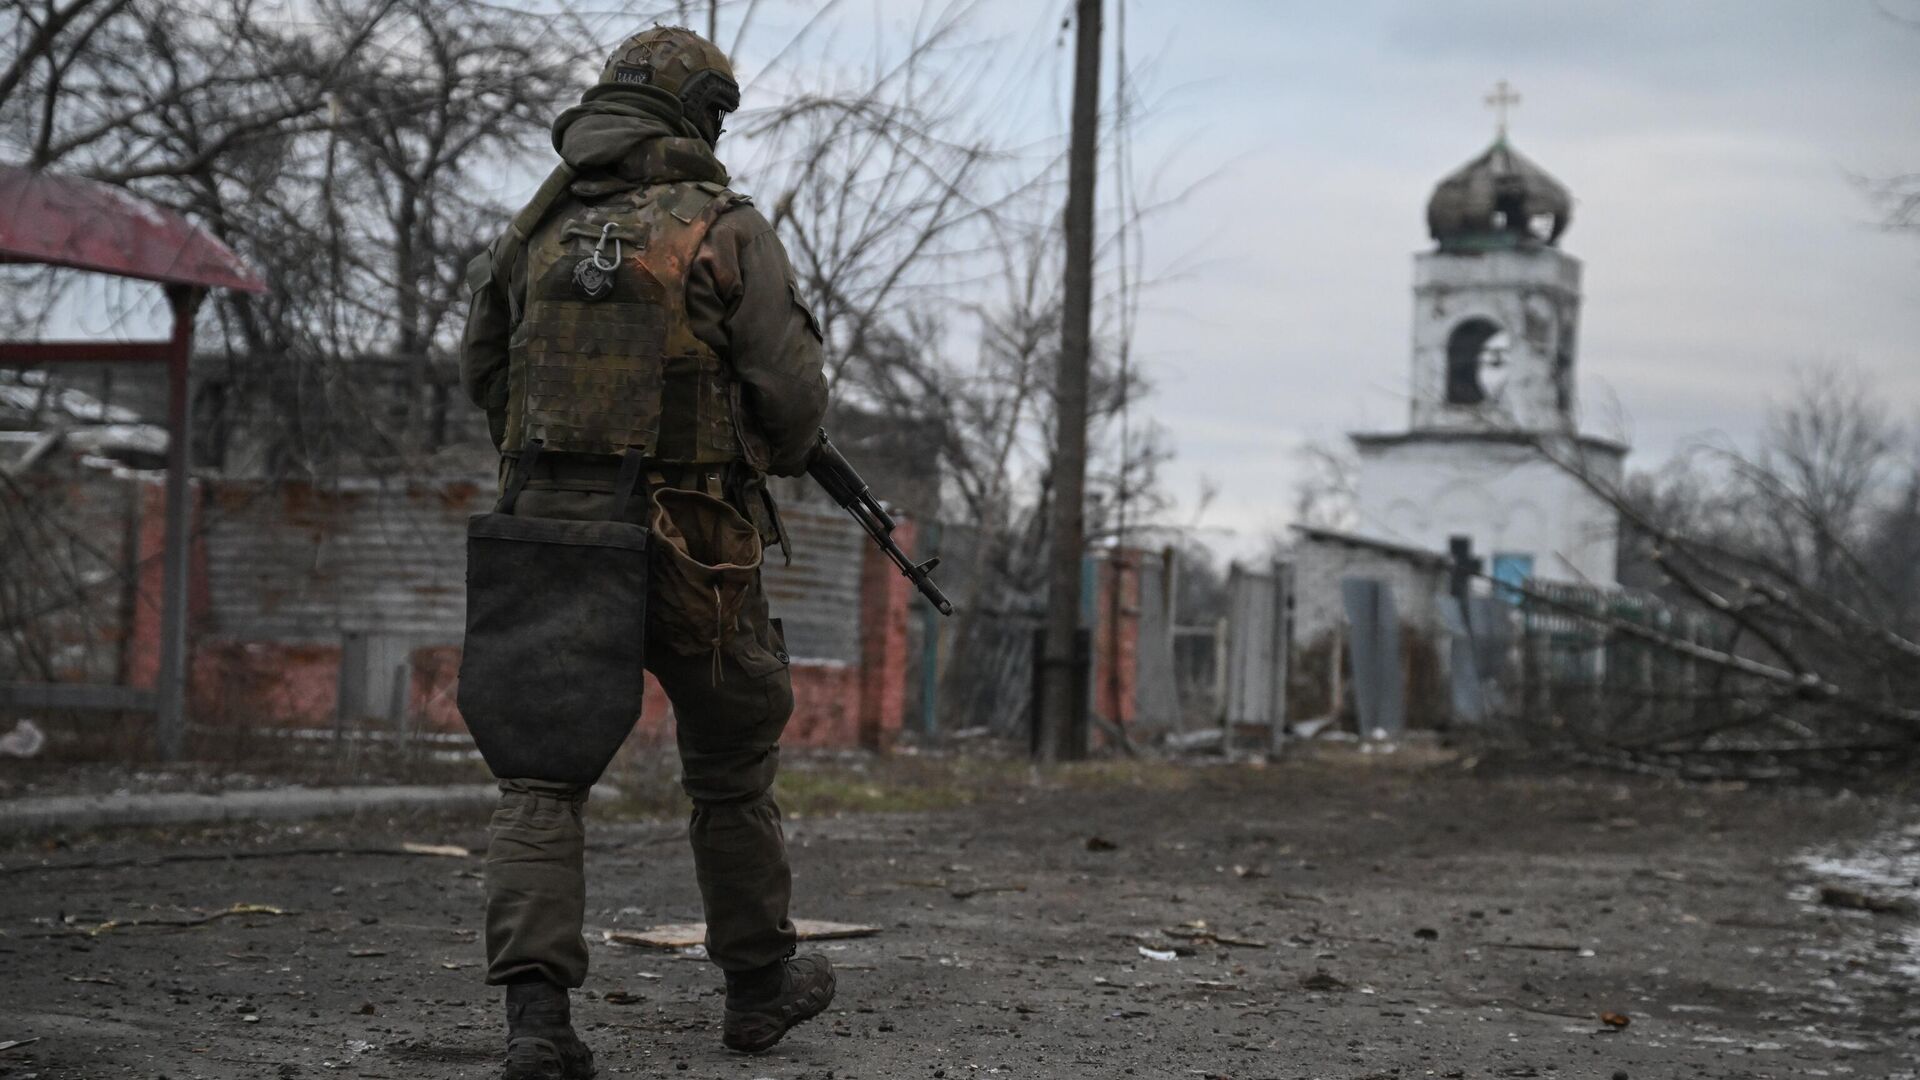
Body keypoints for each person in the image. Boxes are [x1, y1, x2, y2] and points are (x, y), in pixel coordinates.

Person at [459, 25, 833, 1080]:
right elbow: (793, 397)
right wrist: (754, 456)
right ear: (696, 114)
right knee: (727, 769)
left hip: (550, 536)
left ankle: (537, 1029)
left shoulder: (532, 231)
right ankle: (758, 991)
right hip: (695, 543)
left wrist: (556, 474)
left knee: (538, 780)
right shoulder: (723, 229)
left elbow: (484, 371)